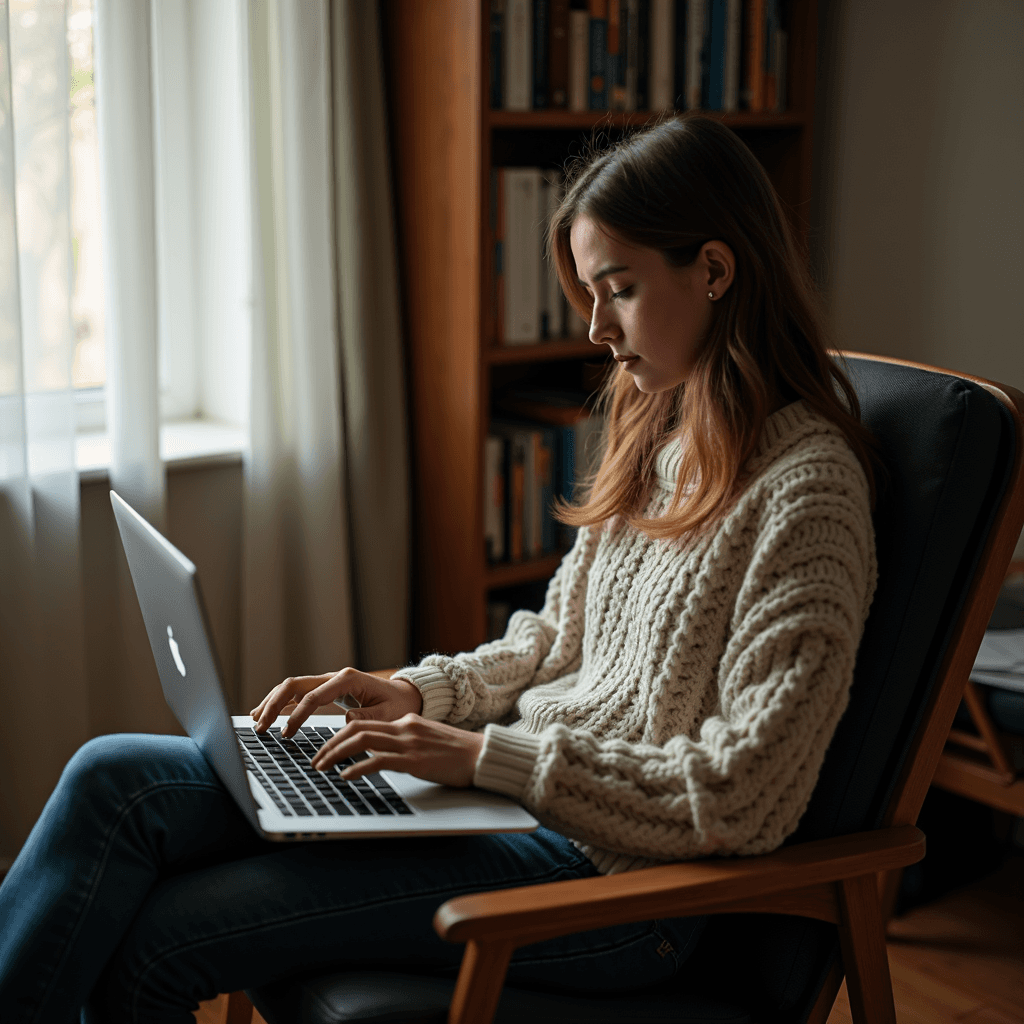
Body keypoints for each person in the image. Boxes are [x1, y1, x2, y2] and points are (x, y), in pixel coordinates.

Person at [0, 114, 877, 1022]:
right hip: (517, 803)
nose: (595, 328)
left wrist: (484, 758)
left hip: (615, 886)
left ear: (717, 270)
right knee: (114, 779)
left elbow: (744, 795)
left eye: (618, 289)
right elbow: (551, 641)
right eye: (588, 291)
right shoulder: (664, 428)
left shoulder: (809, 496)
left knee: (159, 944)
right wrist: (421, 696)